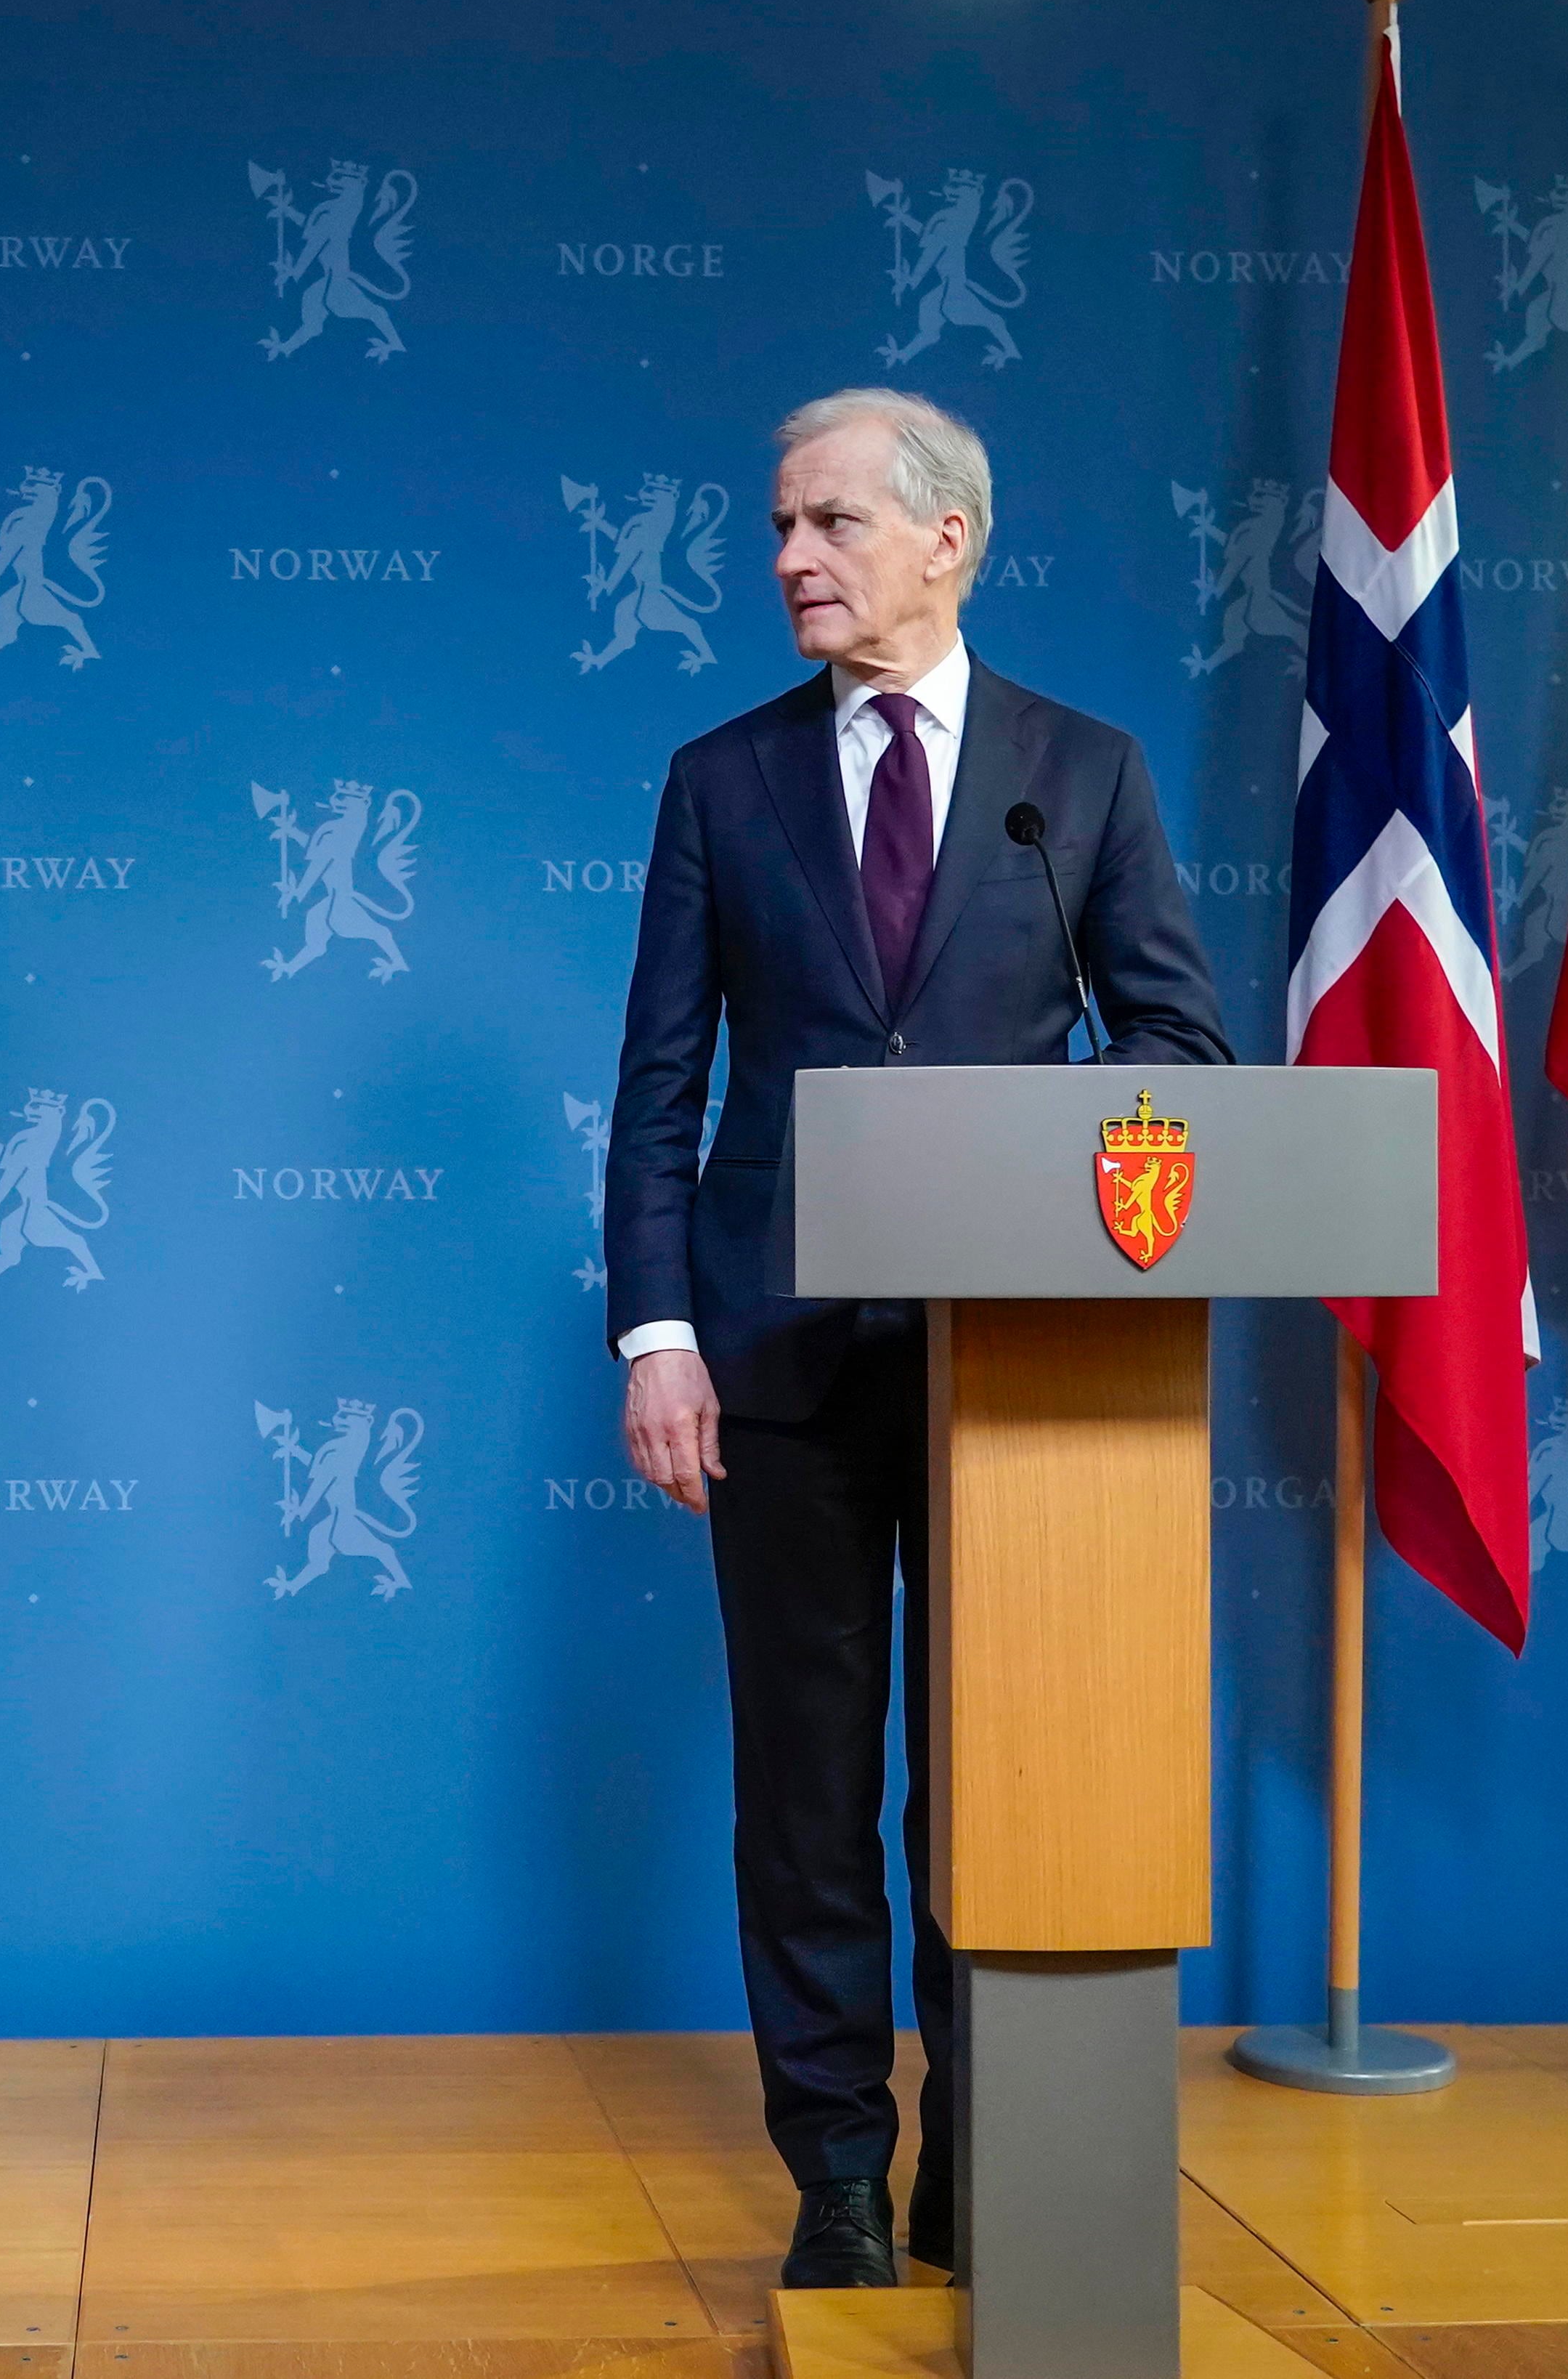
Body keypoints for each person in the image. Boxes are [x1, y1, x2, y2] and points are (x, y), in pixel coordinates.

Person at [601, 389, 1228, 2288]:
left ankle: (986, 2155)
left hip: (1016, 1378)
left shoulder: (1084, 775)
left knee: (992, 1785)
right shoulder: (722, 779)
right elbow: (656, 1093)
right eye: (779, 528)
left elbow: (1181, 1051)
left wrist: (1030, 1150)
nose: (789, 558)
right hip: (778, 1366)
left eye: (827, 524)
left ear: (949, 537)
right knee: (803, 1800)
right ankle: (840, 2181)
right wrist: (657, 1335)